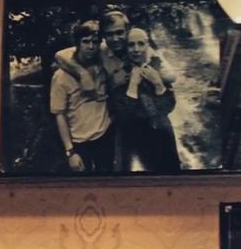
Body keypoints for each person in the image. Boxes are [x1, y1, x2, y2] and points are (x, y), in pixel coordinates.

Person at [50, 21, 114, 173]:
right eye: (85, 41)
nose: (91, 46)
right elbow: (59, 115)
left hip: (104, 134)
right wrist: (70, 152)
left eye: (95, 42)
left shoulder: (102, 64)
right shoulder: (61, 76)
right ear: (77, 43)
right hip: (79, 141)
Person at [113, 28, 179, 173]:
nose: (136, 49)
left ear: (147, 46)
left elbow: (168, 107)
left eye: (141, 44)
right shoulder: (119, 74)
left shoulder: (157, 68)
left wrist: (158, 84)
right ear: (125, 48)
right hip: (133, 140)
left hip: (161, 135)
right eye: (131, 45)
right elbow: (124, 116)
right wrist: (133, 85)